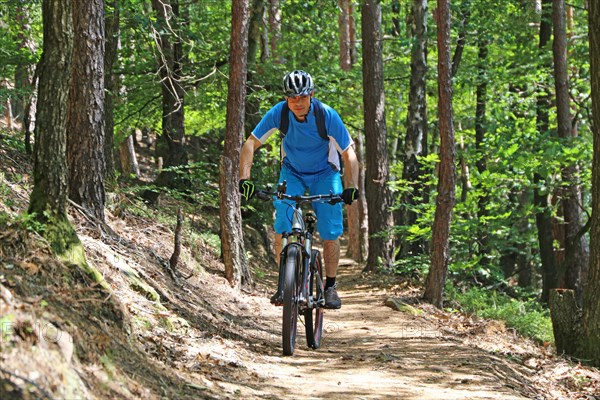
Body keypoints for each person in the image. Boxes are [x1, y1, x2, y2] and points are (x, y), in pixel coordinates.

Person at [238, 70, 359, 309]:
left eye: (302, 97)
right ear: (286, 98)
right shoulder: (280, 113)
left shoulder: (326, 115)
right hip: (291, 172)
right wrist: (245, 179)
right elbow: (250, 143)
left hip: (325, 174)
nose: (297, 102)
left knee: (329, 230)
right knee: (282, 221)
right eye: (292, 98)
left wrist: (351, 187)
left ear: (311, 95)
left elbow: (349, 153)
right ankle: (284, 282)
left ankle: (331, 287)